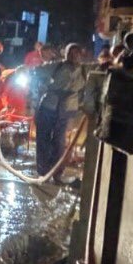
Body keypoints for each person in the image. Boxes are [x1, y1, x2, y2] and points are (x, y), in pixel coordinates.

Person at [35, 42, 87, 176]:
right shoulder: (57, 65)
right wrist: (45, 84)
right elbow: (37, 71)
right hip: (49, 106)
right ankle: (43, 169)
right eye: (71, 53)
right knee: (44, 138)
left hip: (67, 109)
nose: (74, 56)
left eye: (76, 53)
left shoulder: (84, 69)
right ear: (66, 54)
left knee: (59, 141)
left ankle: (57, 170)